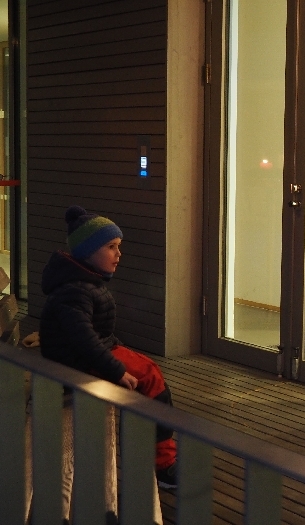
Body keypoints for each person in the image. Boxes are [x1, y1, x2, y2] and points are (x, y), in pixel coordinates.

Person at [39, 205, 178, 489]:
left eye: (119, 246)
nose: (119, 254)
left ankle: (152, 457)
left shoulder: (83, 281)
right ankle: (161, 464)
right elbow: (84, 339)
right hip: (74, 364)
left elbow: (95, 335)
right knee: (149, 379)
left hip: (81, 357)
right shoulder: (75, 290)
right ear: (88, 252)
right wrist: (116, 369)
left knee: (149, 374)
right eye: (111, 247)